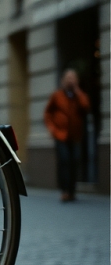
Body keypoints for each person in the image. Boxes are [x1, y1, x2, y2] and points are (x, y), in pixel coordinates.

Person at [44, 69, 90, 202]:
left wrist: (78, 92)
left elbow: (86, 107)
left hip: (75, 136)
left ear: (77, 81)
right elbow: (48, 113)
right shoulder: (57, 96)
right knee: (64, 161)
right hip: (60, 134)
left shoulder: (79, 96)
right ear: (63, 80)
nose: (70, 80)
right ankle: (64, 191)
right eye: (68, 78)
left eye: (73, 78)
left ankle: (72, 191)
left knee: (75, 162)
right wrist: (52, 129)